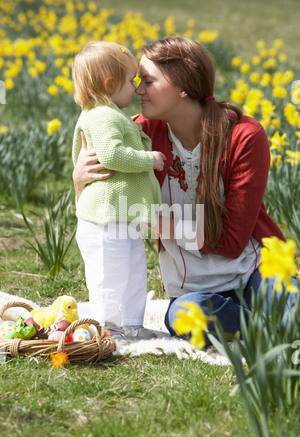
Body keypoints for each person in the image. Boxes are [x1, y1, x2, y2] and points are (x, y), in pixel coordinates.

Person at [72, 36, 289, 347]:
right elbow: (100, 209)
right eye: (137, 81)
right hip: (194, 292)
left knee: (290, 308)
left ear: (183, 86)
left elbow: (231, 241)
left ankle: (270, 322)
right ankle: (267, 327)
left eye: (148, 81)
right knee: (185, 316)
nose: (138, 90)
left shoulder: (243, 136)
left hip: (254, 271)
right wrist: (79, 179)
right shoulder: (136, 138)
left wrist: (156, 221)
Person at [71, 41, 166, 341]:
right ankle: (107, 327)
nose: (136, 87)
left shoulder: (111, 115)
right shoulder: (103, 117)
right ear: (111, 84)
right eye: (131, 80)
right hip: (104, 221)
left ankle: (133, 323)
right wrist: (148, 159)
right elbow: (111, 155)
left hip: (122, 217)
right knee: (108, 276)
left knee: (134, 272)